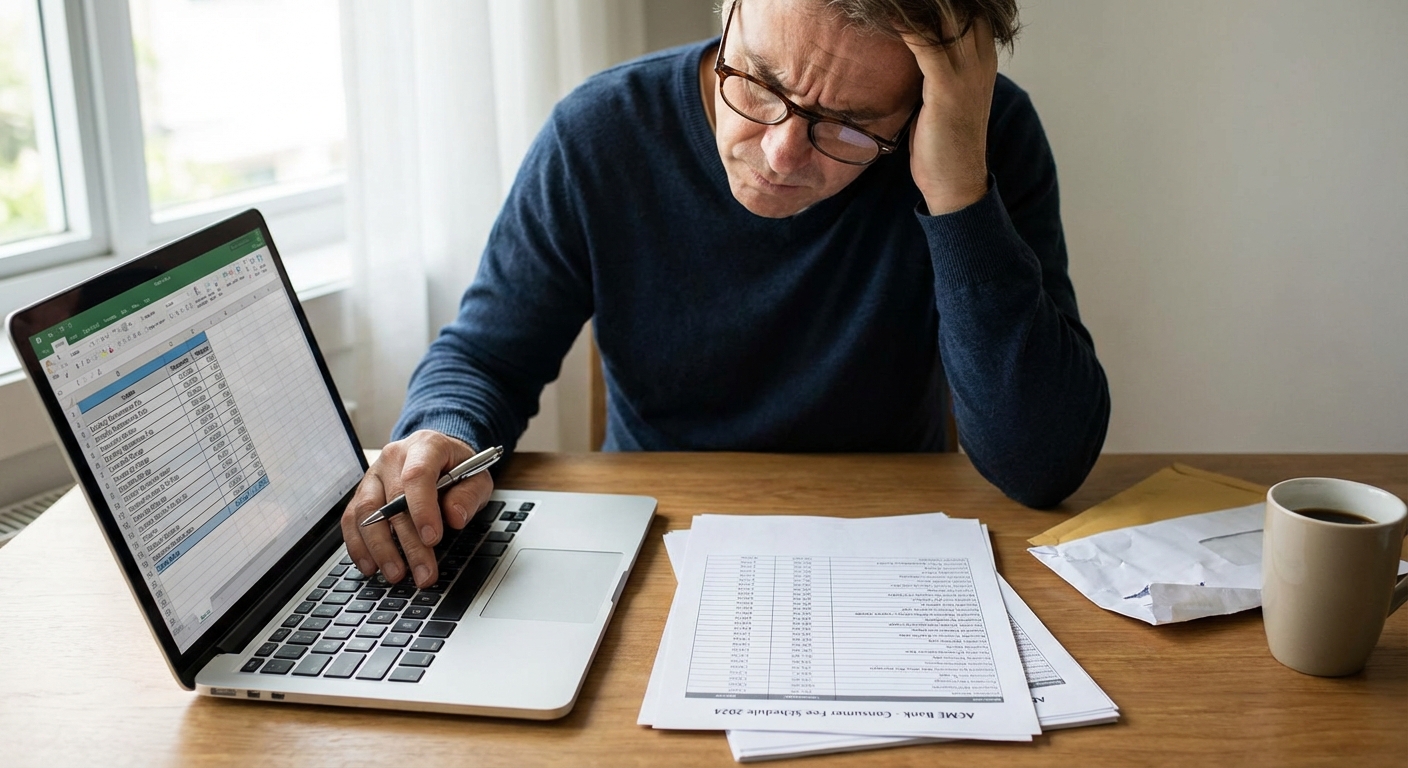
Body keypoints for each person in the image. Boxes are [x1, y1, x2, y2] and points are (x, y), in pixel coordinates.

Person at [340, 0, 1110, 588]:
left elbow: (1039, 464)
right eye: (761, 82)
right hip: (651, 545)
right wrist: (441, 432)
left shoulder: (981, 138)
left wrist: (957, 188)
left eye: (849, 126)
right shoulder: (599, 133)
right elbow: (486, 356)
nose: (780, 152)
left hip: (891, 550)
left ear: (919, 113)